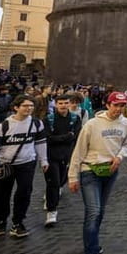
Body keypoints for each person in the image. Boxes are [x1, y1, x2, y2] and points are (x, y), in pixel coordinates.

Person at [68, 91, 127, 254]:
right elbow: (79, 151)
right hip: (90, 170)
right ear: (107, 105)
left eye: (122, 106)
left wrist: (120, 157)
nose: (118, 109)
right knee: (94, 211)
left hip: (110, 172)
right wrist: (73, 177)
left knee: (100, 211)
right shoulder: (92, 125)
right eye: (116, 105)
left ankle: (92, 242)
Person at [0, 94, 48, 237]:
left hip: (27, 164)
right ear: (16, 108)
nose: (29, 108)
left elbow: (40, 143)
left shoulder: (37, 124)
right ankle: (1, 220)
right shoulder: (3, 126)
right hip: (5, 165)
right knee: (2, 194)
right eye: (25, 106)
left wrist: (43, 160)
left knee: (24, 193)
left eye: (31, 106)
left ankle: (18, 222)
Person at [42, 93, 82, 227]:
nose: (63, 106)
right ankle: (51, 211)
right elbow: (47, 138)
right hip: (51, 155)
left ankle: (51, 197)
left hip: (67, 155)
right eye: (60, 103)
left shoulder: (75, 119)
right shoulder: (48, 119)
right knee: (54, 182)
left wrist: (59, 138)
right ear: (56, 105)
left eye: (66, 103)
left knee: (61, 180)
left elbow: (77, 136)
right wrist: (66, 137)